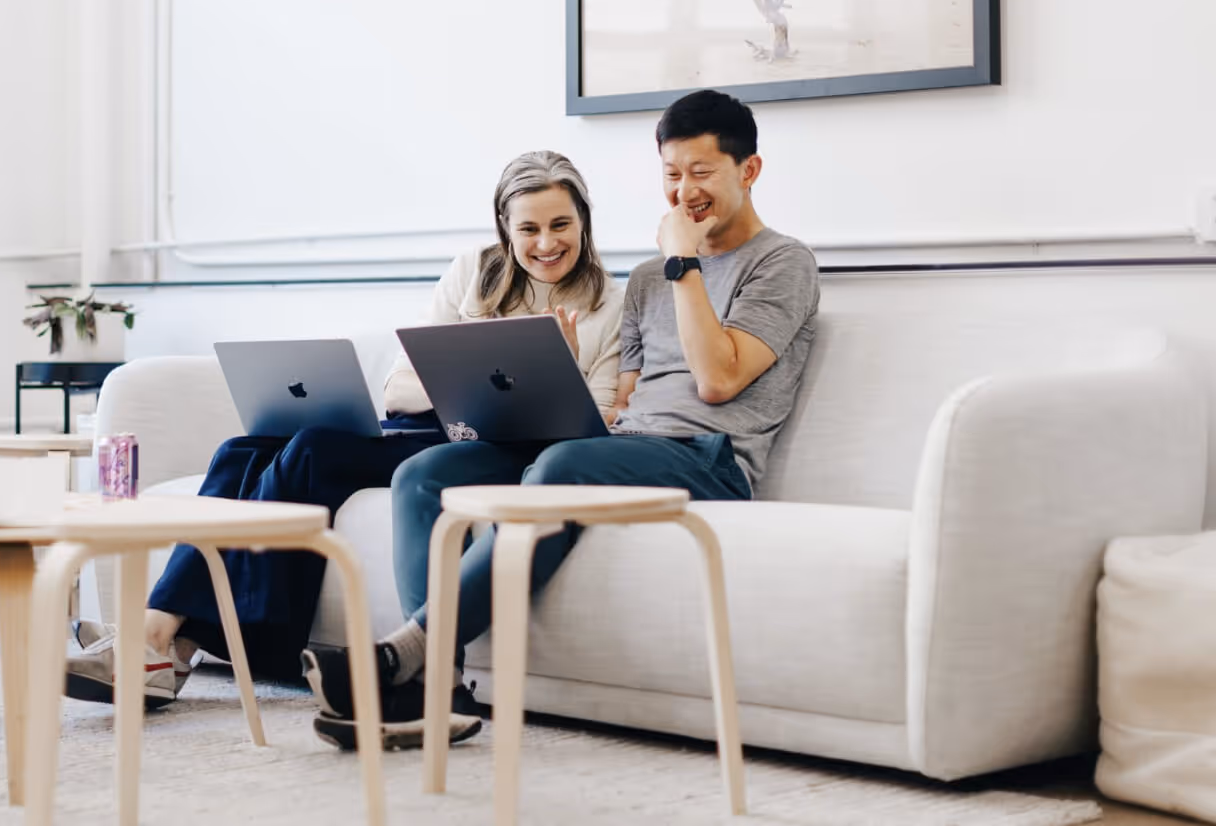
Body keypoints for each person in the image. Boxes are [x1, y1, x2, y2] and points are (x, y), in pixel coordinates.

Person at [305, 89, 820, 751]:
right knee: (425, 471)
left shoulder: (783, 262)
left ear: (747, 172)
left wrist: (683, 262)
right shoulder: (646, 280)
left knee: (562, 464)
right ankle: (438, 692)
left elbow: (718, 380)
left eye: (701, 172)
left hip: (711, 456)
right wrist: (566, 377)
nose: (683, 191)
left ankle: (407, 655)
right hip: (622, 445)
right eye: (670, 174)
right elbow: (628, 400)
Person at [64, 150, 624, 747]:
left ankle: (177, 643)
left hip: (485, 448)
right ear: (504, 229)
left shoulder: (609, 302)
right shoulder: (473, 272)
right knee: (240, 450)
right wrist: (469, 362)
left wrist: (543, 369)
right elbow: (399, 387)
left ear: (584, 221)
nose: (545, 243)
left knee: (312, 451)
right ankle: (164, 639)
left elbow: (598, 414)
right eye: (528, 228)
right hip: (425, 423)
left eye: (560, 225)